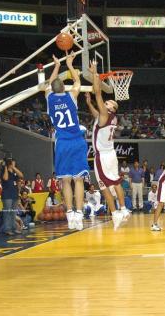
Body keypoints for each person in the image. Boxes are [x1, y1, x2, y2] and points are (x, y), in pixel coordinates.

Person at [46, 52, 89, 231]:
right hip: (76, 141)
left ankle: (70, 213)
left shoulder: (49, 98)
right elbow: (78, 82)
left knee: (65, 180)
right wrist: (69, 65)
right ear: (63, 86)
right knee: (78, 179)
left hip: (62, 143)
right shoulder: (71, 96)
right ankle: (79, 213)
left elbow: (49, 83)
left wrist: (56, 66)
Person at [85, 60, 130, 230]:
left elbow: (98, 93)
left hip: (103, 156)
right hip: (111, 154)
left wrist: (95, 73)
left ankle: (115, 213)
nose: (106, 101)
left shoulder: (106, 114)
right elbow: (97, 114)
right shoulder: (109, 117)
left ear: (112, 108)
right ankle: (123, 210)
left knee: (104, 187)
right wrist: (89, 103)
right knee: (116, 182)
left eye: (109, 102)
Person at [1, 159, 24, 235]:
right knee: (7, 212)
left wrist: (14, 168)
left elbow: (21, 175)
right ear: (9, 164)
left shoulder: (14, 174)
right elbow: (6, 178)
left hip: (14, 195)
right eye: (13, 164)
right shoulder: (4, 171)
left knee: (13, 213)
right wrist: (5, 168)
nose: (14, 165)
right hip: (7, 195)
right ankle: (7, 229)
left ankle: (14, 228)